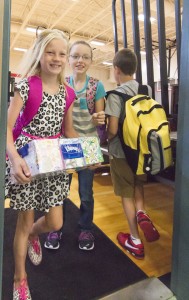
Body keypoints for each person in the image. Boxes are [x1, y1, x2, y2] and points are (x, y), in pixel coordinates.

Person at [5, 29, 78, 300]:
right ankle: (19, 277)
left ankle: (35, 235)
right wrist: (14, 159)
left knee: (56, 222)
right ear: (40, 53)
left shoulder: (68, 93)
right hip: (26, 162)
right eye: (51, 52)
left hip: (53, 165)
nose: (56, 58)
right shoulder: (25, 86)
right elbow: (8, 128)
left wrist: (88, 153)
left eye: (61, 53)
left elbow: (68, 132)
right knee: (23, 223)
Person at [45, 40, 106, 251]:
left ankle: (85, 228)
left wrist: (100, 118)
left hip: (88, 145)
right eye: (76, 56)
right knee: (60, 191)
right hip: (66, 145)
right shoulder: (62, 83)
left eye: (85, 57)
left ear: (91, 60)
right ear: (69, 59)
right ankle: (56, 227)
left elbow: (99, 117)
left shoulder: (96, 85)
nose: (80, 60)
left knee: (86, 193)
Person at [105, 48, 160, 259]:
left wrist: (107, 140)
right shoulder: (145, 90)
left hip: (121, 153)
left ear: (116, 70)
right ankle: (142, 213)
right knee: (138, 185)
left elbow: (111, 129)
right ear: (134, 69)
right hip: (142, 151)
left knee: (126, 194)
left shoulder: (116, 95)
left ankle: (135, 240)